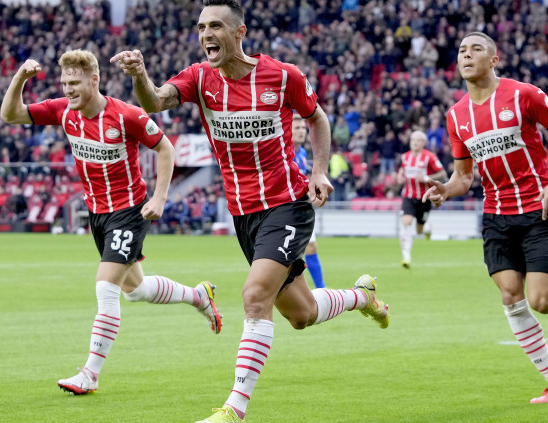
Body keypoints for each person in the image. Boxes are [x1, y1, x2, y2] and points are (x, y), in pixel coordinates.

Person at [111, 1, 390, 421]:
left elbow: (317, 119)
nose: (206, 34)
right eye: (201, 27)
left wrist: (318, 170)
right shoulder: (199, 78)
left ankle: (234, 409)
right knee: (301, 314)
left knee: (254, 296)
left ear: (239, 32)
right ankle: (361, 296)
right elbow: (155, 101)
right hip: (244, 215)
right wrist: (139, 75)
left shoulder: (282, 75)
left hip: (288, 204)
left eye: (216, 26)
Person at [0, 49, 223, 396]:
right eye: (64, 83)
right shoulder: (63, 110)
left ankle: (90, 373)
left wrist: (160, 198)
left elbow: (166, 149)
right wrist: (21, 78)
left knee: (106, 288)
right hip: (98, 214)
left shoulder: (125, 115)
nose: (68, 89)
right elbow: (11, 114)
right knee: (136, 291)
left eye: (75, 83)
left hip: (129, 211)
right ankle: (198, 296)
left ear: (94, 80)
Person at [423, 32, 548, 404]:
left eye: (476, 49)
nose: (467, 55)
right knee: (510, 296)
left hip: (537, 210)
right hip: (496, 216)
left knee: (543, 302)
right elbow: (464, 177)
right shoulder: (456, 116)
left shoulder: (523, 95)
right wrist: (445, 189)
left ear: (494, 59)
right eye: (462, 50)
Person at [396, 130, 447, 268]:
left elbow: (442, 173)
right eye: (413, 139)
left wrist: (426, 178)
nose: (415, 142)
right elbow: (402, 171)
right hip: (408, 196)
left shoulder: (429, 157)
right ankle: (406, 257)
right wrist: (400, 176)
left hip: (424, 198)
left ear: (424, 143)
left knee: (419, 230)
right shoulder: (405, 157)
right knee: (406, 222)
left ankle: (427, 229)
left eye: (418, 140)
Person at [292, 114, 326, 288]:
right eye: (296, 128)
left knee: (311, 247)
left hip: (301, 206)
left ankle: (322, 288)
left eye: (303, 128)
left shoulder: (303, 153)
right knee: (291, 255)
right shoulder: (286, 153)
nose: (301, 131)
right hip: (287, 207)